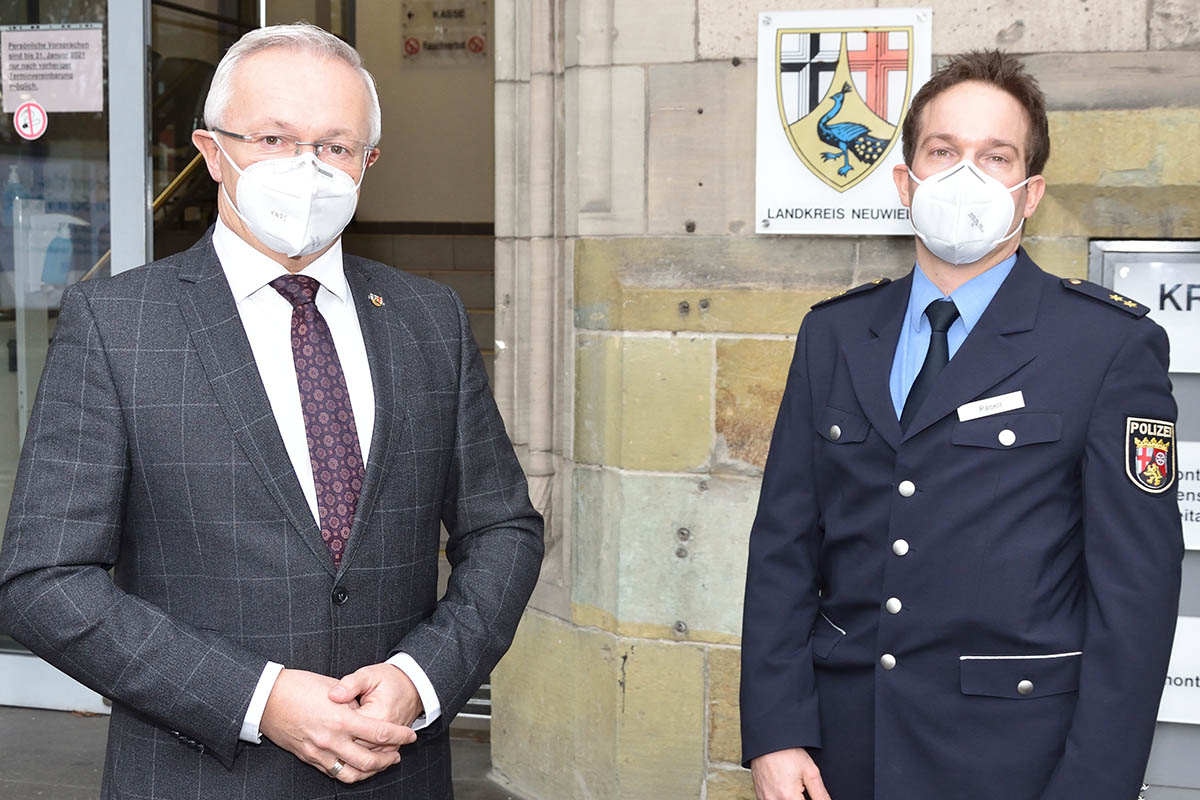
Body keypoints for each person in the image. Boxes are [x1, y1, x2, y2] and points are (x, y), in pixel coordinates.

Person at [0, 23, 543, 800]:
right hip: (196, 777)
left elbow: (504, 530)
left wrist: (421, 679)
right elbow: (43, 581)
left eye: (335, 146)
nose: (307, 169)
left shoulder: (430, 319)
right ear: (212, 151)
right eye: (274, 139)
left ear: (368, 164)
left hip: (396, 769)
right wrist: (259, 699)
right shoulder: (117, 326)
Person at [740, 50, 1182, 800]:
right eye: (943, 152)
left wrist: (1092, 786)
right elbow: (785, 546)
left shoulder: (1106, 347)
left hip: (1015, 760)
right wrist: (776, 730)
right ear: (905, 178)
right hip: (842, 752)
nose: (964, 175)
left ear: (1030, 191)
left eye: (994, 156)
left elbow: (1134, 600)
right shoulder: (838, 335)